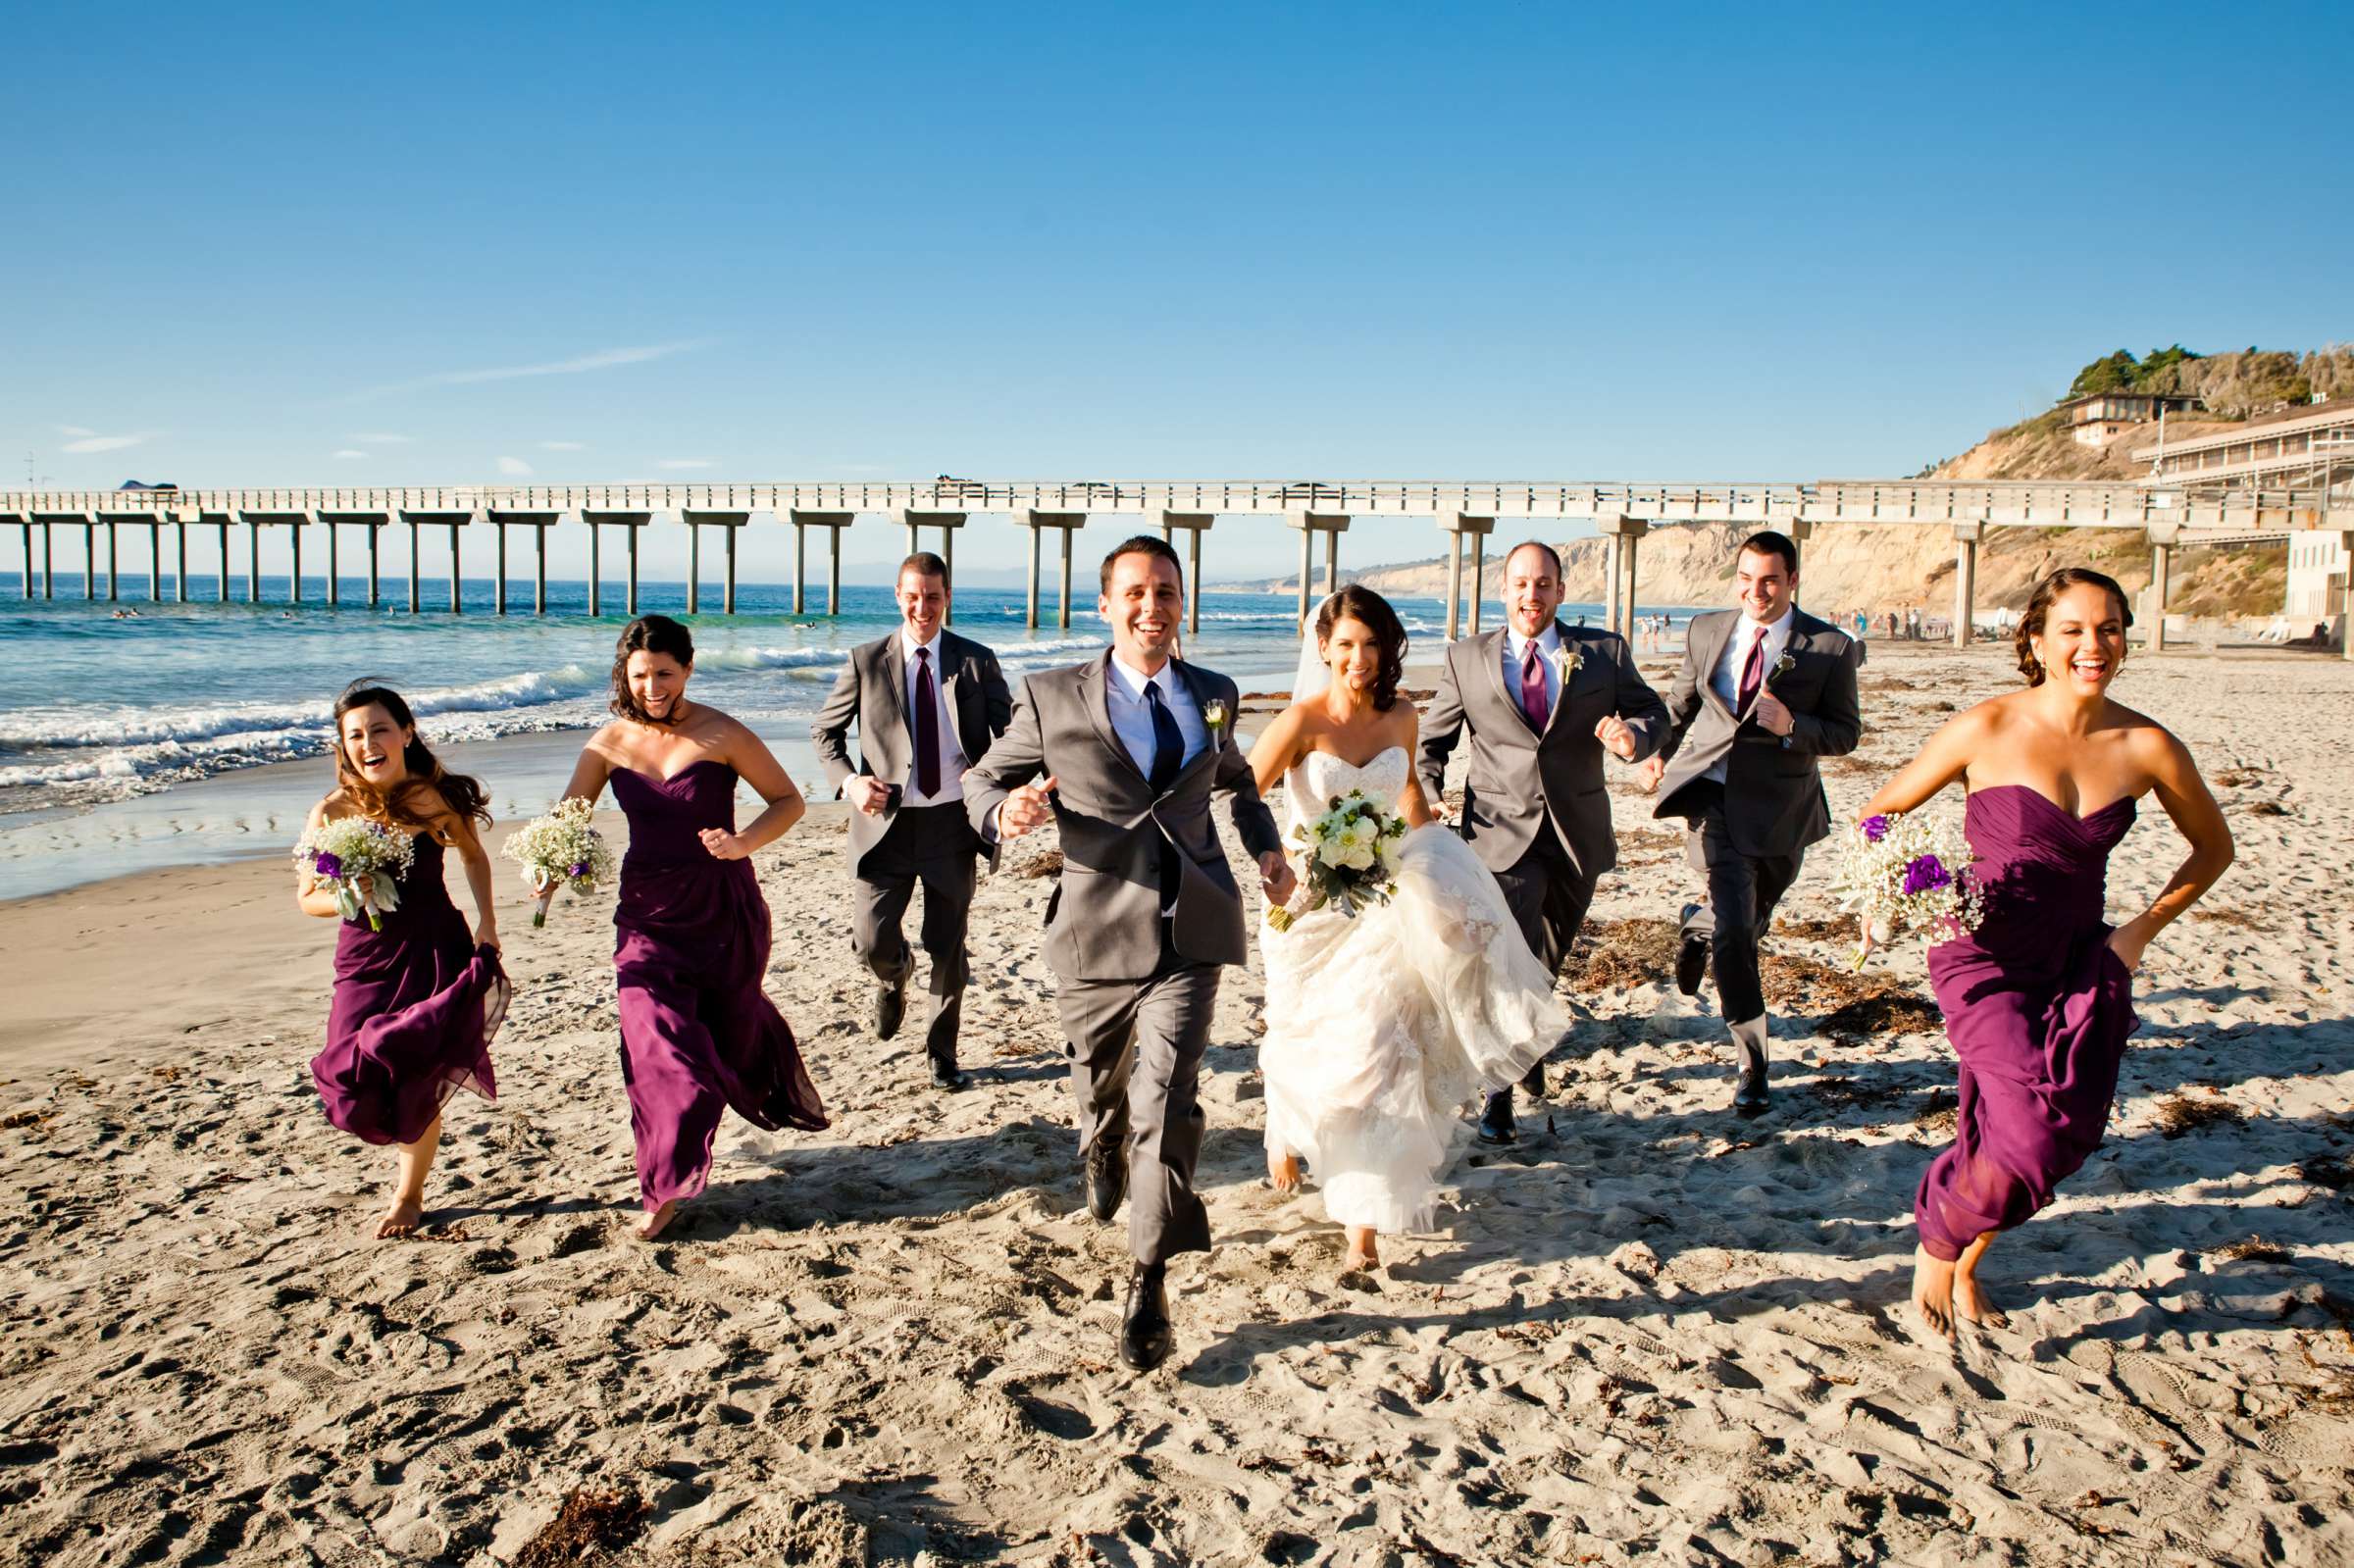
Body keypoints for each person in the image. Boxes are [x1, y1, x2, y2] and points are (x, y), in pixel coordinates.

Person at [1857, 568, 2232, 1337]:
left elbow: (2212, 849)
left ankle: (1968, 1260)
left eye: (2110, 628)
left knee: (2062, 1130)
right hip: (1980, 953)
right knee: (2026, 1125)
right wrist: (1899, 897)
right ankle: (1940, 1236)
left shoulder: (2148, 744)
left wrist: (2136, 934)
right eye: (2074, 629)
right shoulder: (1985, 728)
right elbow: (1879, 815)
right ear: (2036, 639)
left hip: (2081, 958)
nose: (2094, 645)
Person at [964, 536, 1293, 1371]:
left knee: (1169, 1100)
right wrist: (1007, 816)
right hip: (1095, 927)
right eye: (1137, 593)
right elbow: (982, 781)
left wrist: (1265, 851)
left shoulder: (1212, 694)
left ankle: (1150, 1277)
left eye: (1168, 592)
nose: (1154, 607)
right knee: (1101, 1087)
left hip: (1193, 924)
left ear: (1183, 603)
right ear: (1106, 605)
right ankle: (1098, 1143)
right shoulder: (1049, 696)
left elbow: (1237, 781)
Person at [1253, 587, 1565, 1272]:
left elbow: (1411, 800)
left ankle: (1362, 1217)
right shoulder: (1300, 719)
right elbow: (1242, 793)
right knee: (1303, 1035)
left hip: (1383, 897)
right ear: (1324, 650)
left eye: (1370, 644)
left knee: (1381, 1047)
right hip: (1308, 904)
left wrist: (1447, 876)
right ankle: (1286, 1123)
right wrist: (1283, 859)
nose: (1359, 659)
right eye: (1345, 646)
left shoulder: (1402, 715)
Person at [544, 615, 826, 1240]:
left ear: (688, 669)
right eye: (640, 675)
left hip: (725, 911)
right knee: (662, 1050)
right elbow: (567, 823)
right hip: (646, 915)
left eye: (664, 674)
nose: (652, 687)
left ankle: (685, 1151)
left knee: (725, 1039)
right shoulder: (608, 743)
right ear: (625, 673)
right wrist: (550, 872)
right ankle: (664, 1188)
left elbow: (789, 800)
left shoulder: (722, 732)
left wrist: (743, 841)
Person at [1416, 540, 1669, 1143]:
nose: (1533, 594)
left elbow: (1655, 712)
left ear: (1560, 591)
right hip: (1497, 835)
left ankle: (1526, 1049)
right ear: (1504, 589)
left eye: (1545, 584)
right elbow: (1432, 742)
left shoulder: (1603, 653)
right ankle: (1498, 1099)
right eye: (1521, 583)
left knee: (1547, 962)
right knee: (1508, 961)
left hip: (1577, 833)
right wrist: (1427, 792)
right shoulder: (1465, 658)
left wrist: (1634, 738)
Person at [1637, 531, 1862, 1115]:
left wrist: (1792, 724)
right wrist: (1658, 751)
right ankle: (1752, 1062)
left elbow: (1845, 733)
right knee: (1738, 932)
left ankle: (1696, 925)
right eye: (1745, 578)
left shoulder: (1832, 647)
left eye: (1768, 580)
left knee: (1748, 924)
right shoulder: (1707, 630)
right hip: (1711, 798)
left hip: (1783, 812)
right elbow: (1682, 710)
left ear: (1791, 582)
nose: (1754, 591)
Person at [301, 683, 508, 1239]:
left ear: (406, 734)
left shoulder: (432, 798)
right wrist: (350, 890)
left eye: (379, 730)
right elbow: (308, 898)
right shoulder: (331, 812)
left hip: (434, 947)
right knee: (348, 1078)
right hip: (365, 958)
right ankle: (405, 1177)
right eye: (355, 735)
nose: (368, 743)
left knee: (415, 1074)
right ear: (344, 747)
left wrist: (487, 922)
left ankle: (408, 1193)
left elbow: (472, 854)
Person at [811, 553, 1012, 1091]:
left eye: (934, 596)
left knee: (948, 946)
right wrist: (851, 783)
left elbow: (1014, 737)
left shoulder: (977, 661)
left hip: (952, 825)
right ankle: (893, 976)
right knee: (872, 939)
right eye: (913, 596)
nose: (923, 607)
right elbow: (825, 735)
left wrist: (999, 787)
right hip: (885, 829)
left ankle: (941, 1054)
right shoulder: (865, 661)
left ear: (948, 597)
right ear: (897, 596)